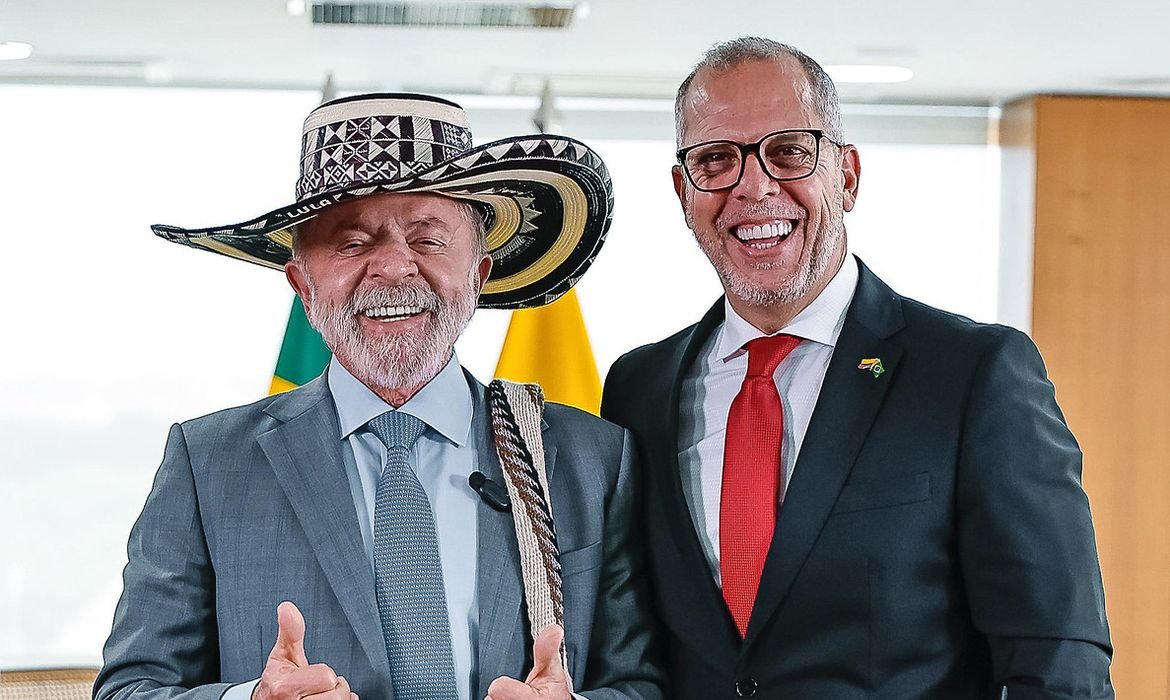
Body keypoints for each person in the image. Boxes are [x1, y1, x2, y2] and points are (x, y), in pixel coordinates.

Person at [95, 93, 661, 700]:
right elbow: (130, 689)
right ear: (302, 284)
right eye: (352, 242)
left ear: (480, 273)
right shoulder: (208, 460)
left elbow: (640, 684)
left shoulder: (592, 457)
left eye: (428, 239)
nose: (394, 268)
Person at [600, 37, 1112, 699]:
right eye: (716, 159)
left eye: (788, 151)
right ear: (682, 190)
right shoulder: (637, 389)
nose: (753, 186)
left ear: (846, 176)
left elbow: (1058, 659)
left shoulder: (973, 375)